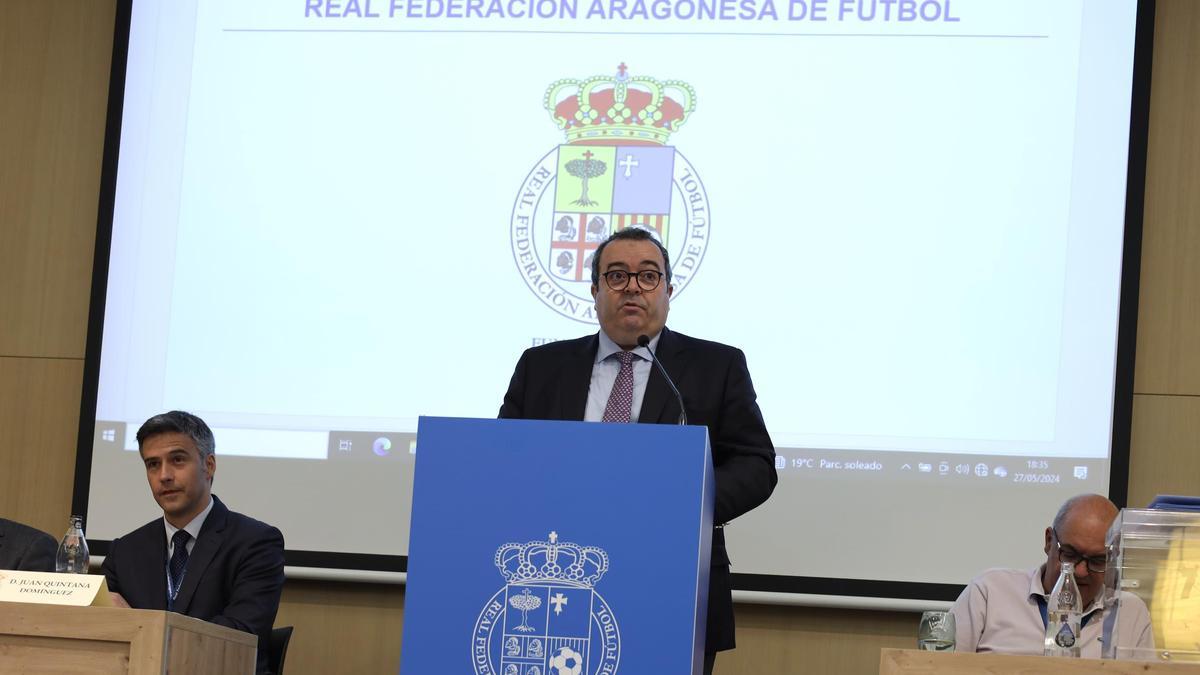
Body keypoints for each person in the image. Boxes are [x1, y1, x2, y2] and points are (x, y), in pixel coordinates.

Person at [499, 227, 777, 674]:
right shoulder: (542, 368)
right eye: (616, 276)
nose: (632, 287)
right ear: (594, 291)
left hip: (674, 583)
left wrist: (690, 502)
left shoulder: (717, 366)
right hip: (558, 583)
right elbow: (503, 462)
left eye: (648, 276)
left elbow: (756, 465)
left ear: (668, 290)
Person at [102, 411, 285, 674]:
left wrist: (144, 627)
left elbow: (241, 635)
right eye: (153, 464)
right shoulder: (125, 551)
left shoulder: (256, 543)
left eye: (177, 460)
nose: (164, 475)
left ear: (208, 465)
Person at [950, 493, 1154, 657]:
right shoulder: (990, 591)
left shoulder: (1130, 612)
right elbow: (939, 666)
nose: (1080, 571)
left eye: (1097, 561)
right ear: (1049, 541)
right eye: (1070, 555)